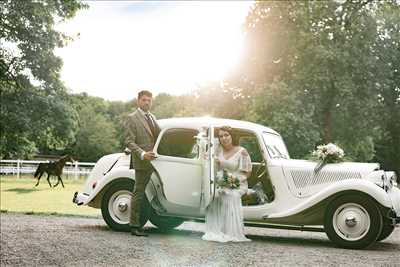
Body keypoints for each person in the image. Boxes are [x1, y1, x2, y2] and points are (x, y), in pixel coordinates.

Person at [202, 126, 252, 242]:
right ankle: (216, 230)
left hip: (238, 183)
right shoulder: (217, 149)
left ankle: (230, 232)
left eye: (226, 135)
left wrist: (233, 181)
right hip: (220, 181)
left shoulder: (242, 151)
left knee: (230, 195)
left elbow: (247, 173)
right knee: (215, 194)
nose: (224, 138)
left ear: (232, 136)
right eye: (221, 136)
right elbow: (206, 157)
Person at [125, 90, 160, 236]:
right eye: (144, 100)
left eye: (149, 100)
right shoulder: (132, 118)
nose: (147, 102)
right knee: (138, 192)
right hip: (142, 162)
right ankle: (134, 226)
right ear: (138, 101)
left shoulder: (153, 117)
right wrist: (143, 154)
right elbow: (128, 141)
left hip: (158, 162)